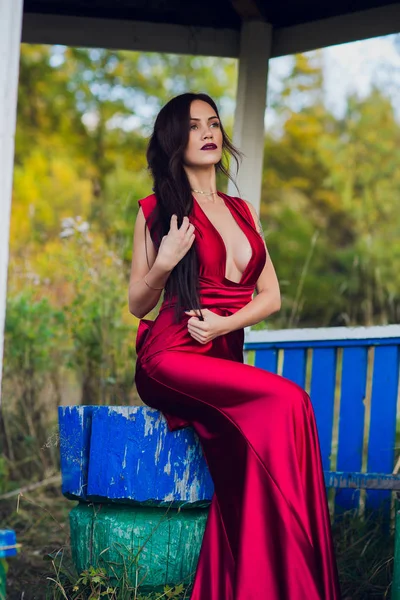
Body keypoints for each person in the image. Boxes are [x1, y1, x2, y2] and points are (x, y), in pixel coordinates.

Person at [129, 92, 341, 600]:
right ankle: (296, 580)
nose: (208, 132)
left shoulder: (243, 211)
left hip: (219, 353)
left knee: (246, 472)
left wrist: (225, 324)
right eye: (194, 125)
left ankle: (255, 586)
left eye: (214, 123)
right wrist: (166, 261)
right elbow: (139, 303)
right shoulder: (157, 208)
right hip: (170, 357)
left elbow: (270, 297)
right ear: (174, 140)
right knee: (290, 400)